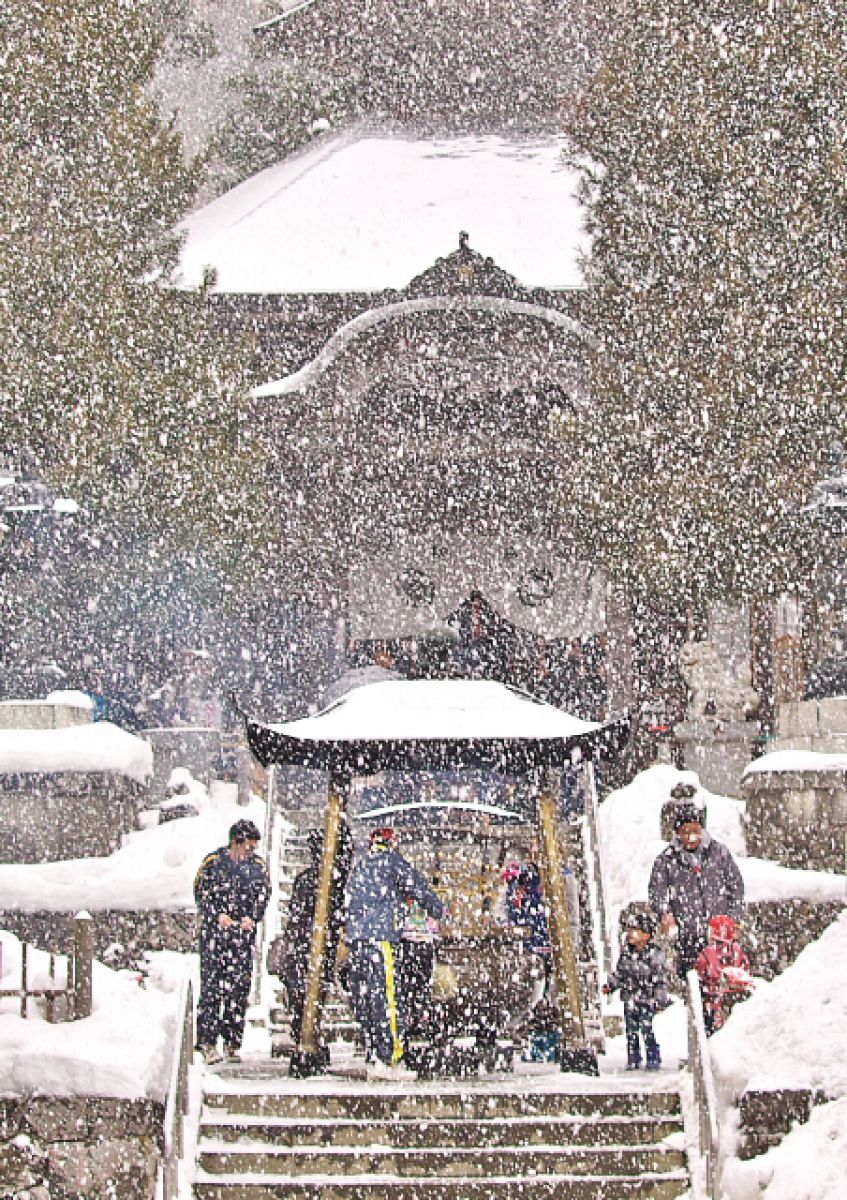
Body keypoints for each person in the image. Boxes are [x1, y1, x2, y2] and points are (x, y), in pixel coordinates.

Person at [345, 826, 444, 1080]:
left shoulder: (361, 866)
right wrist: (437, 909)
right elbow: (418, 887)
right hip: (382, 937)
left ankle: (374, 1053)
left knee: (366, 998)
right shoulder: (392, 862)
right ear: (391, 843)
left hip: (357, 939)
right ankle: (391, 1058)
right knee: (387, 997)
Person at [194, 818, 270, 1066]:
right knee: (212, 989)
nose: (251, 852)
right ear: (235, 843)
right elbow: (201, 893)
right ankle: (207, 1041)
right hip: (215, 935)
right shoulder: (213, 864)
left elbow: (263, 894)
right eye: (248, 846)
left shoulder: (258, 867)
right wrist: (217, 914)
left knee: (238, 990)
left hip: (242, 938)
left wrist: (252, 917)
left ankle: (232, 1041)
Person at [648, 798, 745, 979]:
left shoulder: (719, 853)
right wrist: (665, 914)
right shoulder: (666, 860)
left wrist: (734, 918)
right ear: (678, 833)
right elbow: (657, 891)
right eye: (685, 832)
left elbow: (736, 886)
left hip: (719, 934)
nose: (691, 837)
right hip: (687, 935)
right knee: (691, 978)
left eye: (695, 831)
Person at [276, 825, 352, 1044]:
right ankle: (306, 1032)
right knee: (311, 990)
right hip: (314, 943)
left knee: (305, 991)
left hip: (307, 943)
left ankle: (304, 1030)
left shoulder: (313, 880)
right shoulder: (331, 881)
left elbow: (296, 915)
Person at [603, 909, 669, 1070]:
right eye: (630, 931)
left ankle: (653, 1055)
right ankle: (633, 1057)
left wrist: (660, 999)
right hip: (630, 997)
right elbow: (620, 973)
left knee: (647, 1028)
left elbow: (660, 980)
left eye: (636, 931)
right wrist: (611, 985)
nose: (631, 934)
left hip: (647, 998)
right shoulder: (627, 955)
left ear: (647, 935)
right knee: (631, 1031)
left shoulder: (654, 955)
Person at [694, 914, 754, 1035]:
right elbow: (746, 970)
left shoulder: (708, 952)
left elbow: (699, 973)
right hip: (735, 1001)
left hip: (712, 1003)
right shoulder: (737, 950)